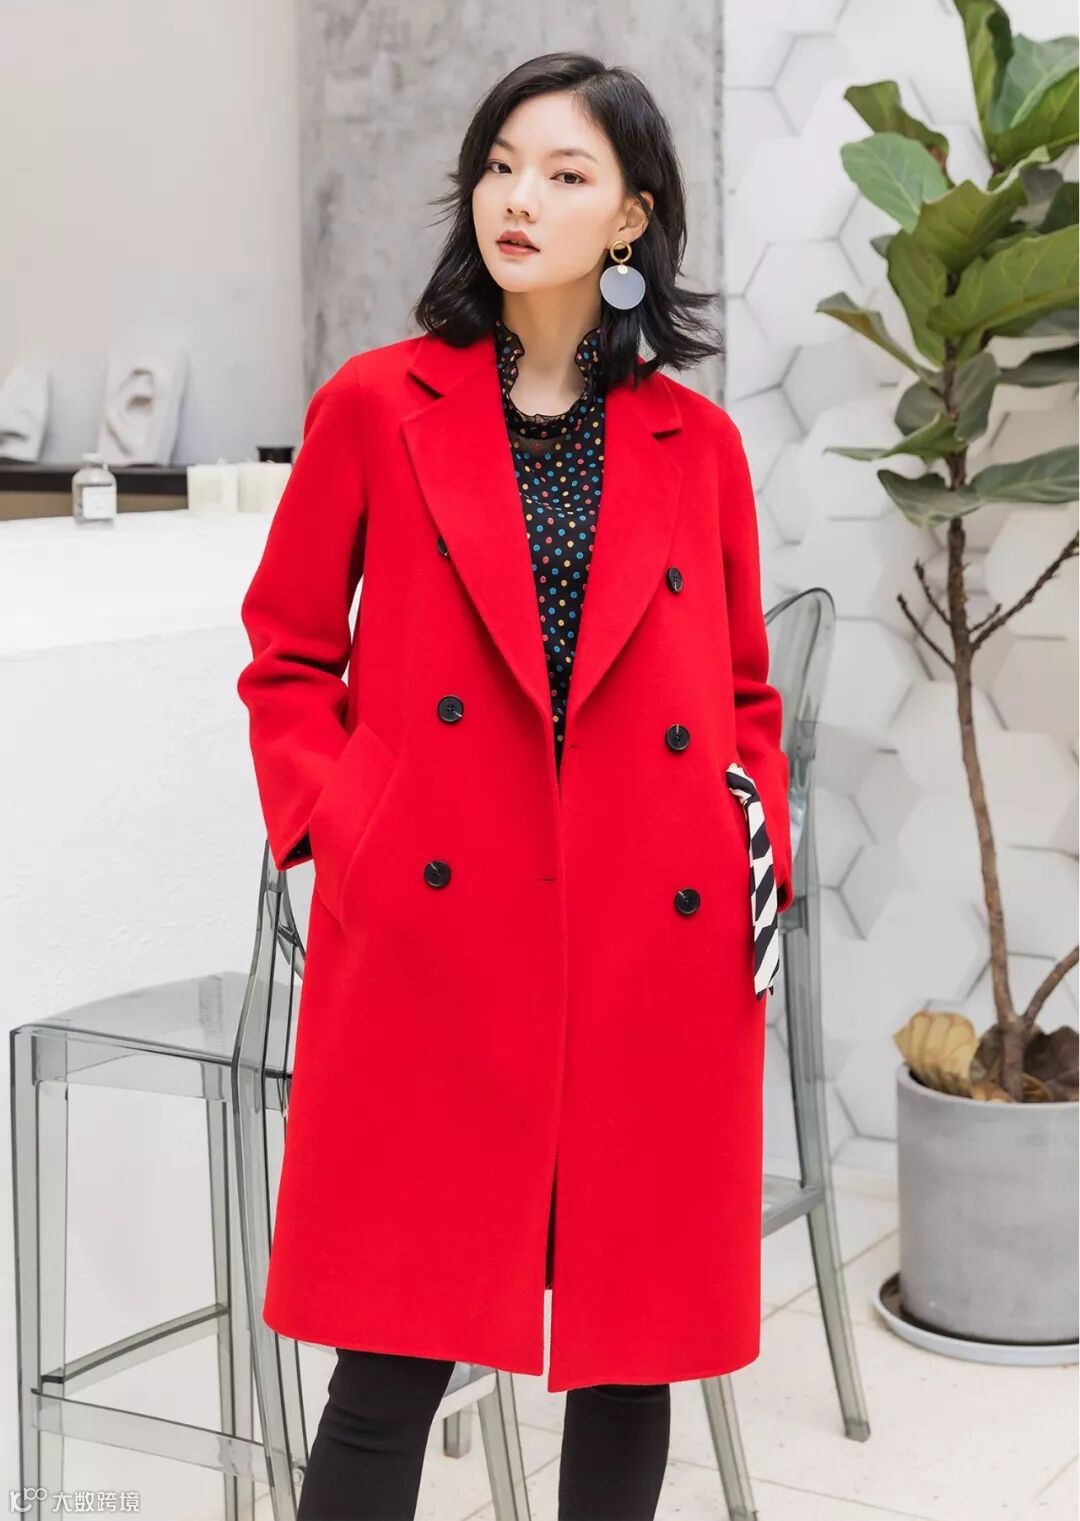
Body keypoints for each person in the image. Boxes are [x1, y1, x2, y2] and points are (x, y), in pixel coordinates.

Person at [237, 49, 794, 1521]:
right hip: (438, 933)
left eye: (562, 172)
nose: (517, 198)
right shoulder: (379, 403)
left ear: (632, 218)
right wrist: (343, 826)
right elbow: (287, 652)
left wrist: (751, 856)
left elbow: (743, 694)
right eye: (498, 165)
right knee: (388, 1361)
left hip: (647, 941)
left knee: (628, 1356)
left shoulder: (698, 444)